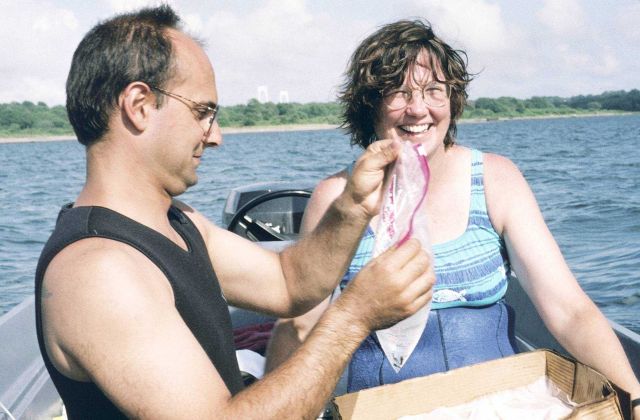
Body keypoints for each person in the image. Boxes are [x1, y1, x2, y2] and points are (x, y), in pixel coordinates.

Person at [34, 6, 436, 419]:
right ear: (139, 104)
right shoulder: (98, 271)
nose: (216, 137)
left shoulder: (178, 222)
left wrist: (352, 206)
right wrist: (354, 317)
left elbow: (289, 283)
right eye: (202, 112)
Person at [265, 18, 640, 413]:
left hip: (505, 404)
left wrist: (634, 394)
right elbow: (300, 326)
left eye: (433, 91)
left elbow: (569, 309)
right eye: (398, 92)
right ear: (369, 106)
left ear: (452, 100)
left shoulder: (497, 179)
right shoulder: (334, 199)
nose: (418, 109)